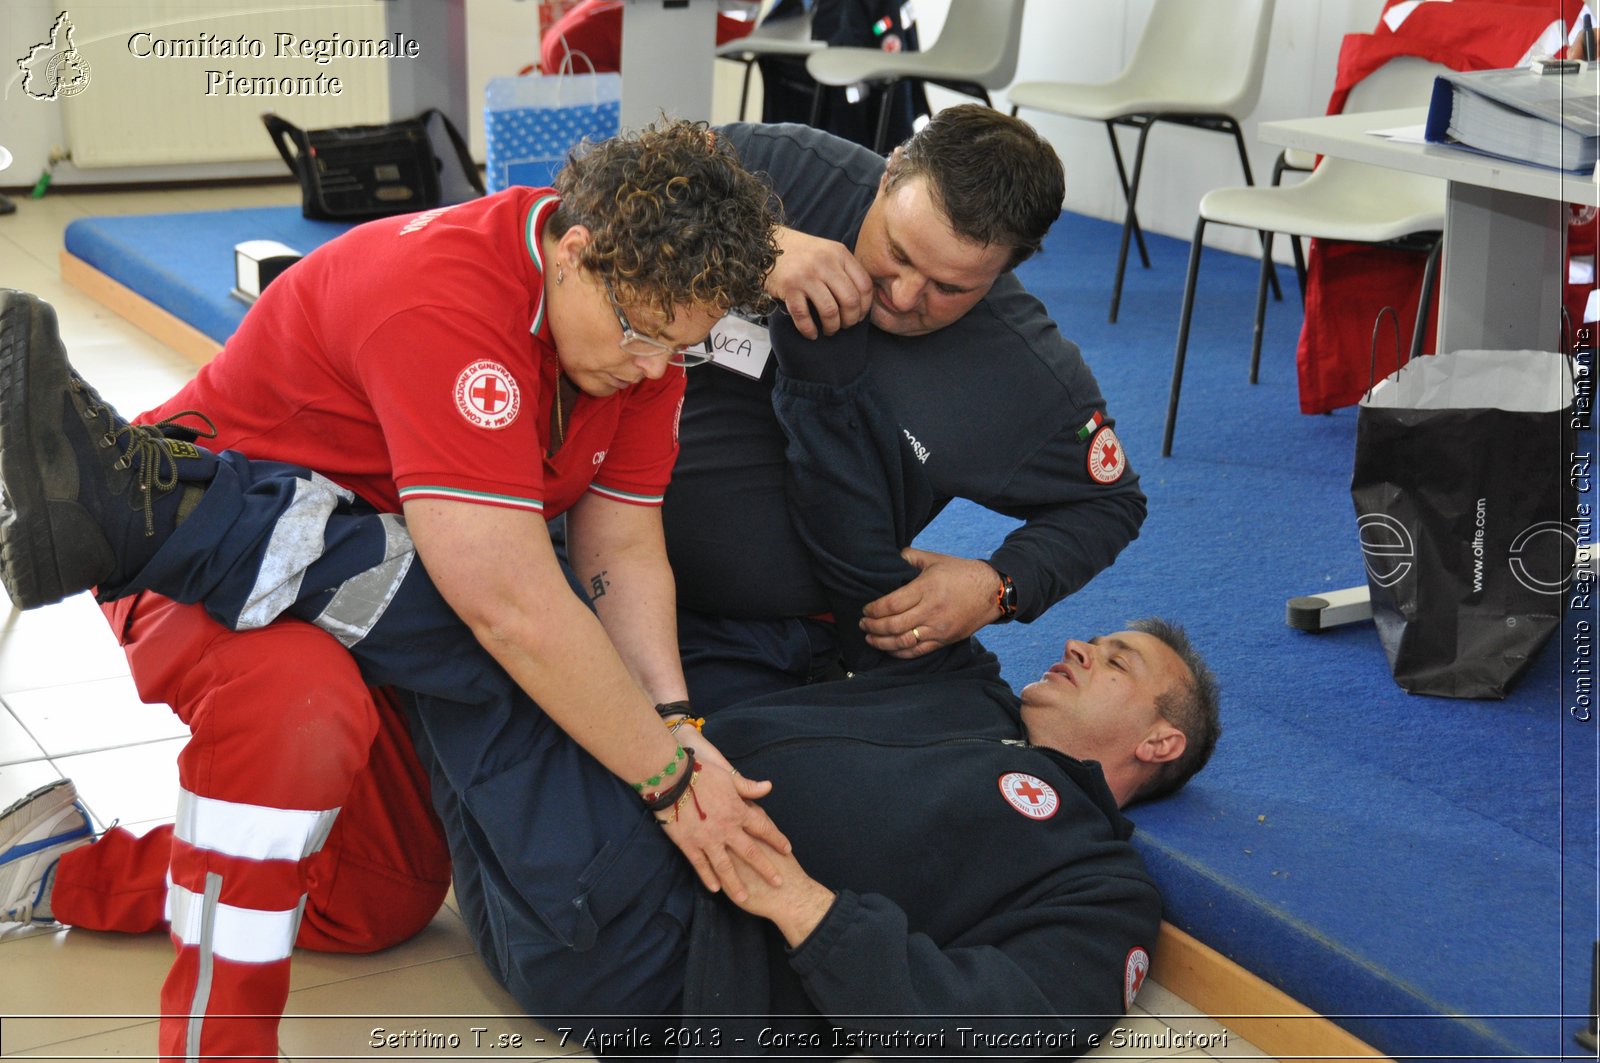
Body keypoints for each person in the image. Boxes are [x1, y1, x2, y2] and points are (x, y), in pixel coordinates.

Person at [0, 348, 1220, 1047]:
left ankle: (147, 504)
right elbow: (828, 564)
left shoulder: (1097, 886)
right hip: (616, 805)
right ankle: (54, 865)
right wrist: (977, 569)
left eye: (1115, 663)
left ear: (1159, 740)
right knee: (366, 894)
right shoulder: (947, 682)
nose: (1077, 653)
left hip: (650, 953)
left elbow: (981, 1037)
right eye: (1093, 639)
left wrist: (799, 903)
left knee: (492, 627)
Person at [0, 119, 783, 1062]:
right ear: (574, 252)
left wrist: (675, 721)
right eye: (645, 335)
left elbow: (621, 548)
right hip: (183, 556)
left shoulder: (641, 330)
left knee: (375, 893)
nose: (656, 367)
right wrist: (664, 777)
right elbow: (509, 606)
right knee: (301, 705)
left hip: (391, 592)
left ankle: (55, 863)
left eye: (682, 348)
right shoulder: (447, 301)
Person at [665, 106, 1148, 707]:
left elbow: (1111, 504)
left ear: (1004, 271)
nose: (901, 295)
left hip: (758, 638)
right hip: (580, 525)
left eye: (949, 288)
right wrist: (758, 243)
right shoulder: (785, 171)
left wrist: (997, 586)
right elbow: (608, 201)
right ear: (889, 174)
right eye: (897, 251)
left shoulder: (1024, 375)